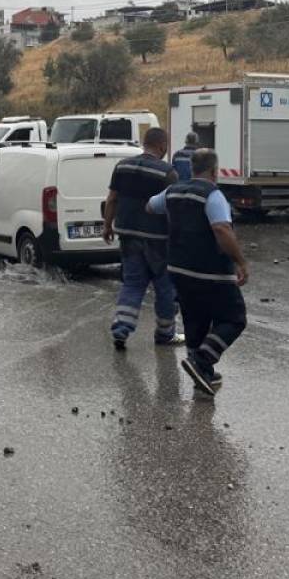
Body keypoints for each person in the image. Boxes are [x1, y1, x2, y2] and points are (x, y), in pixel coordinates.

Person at [146, 147, 250, 397]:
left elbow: (150, 206)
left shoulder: (172, 191)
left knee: (195, 321)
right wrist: (240, 261)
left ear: (192, 168)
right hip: (211, 272)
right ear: (214, 171)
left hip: (179, 269)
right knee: (234, 319)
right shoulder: (213, 195)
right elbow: (222, 230)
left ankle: (202, 375)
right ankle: (202, 361)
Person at [102, 127, 183, 350]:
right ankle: (165, 333)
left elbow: (111, 199)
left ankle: (121, 329)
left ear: (144, 143)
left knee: (133, 284)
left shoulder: (122, 166)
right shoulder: (167, 173)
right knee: (165, 287)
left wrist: (107, 225)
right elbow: (173, 209)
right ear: (162, 146)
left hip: (128, 236)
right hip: (158, 240)